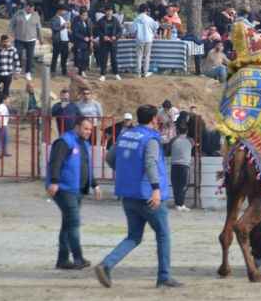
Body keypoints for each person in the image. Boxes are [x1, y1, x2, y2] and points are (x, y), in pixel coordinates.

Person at [96, 104, 183, 289]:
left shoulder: (125, 135)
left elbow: (110, 158)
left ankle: (106, 265)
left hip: (128, 194)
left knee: (134, 236)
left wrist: (128, 172)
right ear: (153, 120)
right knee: (163, 234)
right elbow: (150, 163)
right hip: (147, 194)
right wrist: (156, 189)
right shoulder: (151, 139)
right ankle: (164, 277)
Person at [46, 117, 101, 270]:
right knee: (74, 224)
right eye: (86, 129)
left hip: (77, 190)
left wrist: (95, 184)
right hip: (64, 189)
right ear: (77, 127)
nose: (89, 132)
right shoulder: (64, 142)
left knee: (67, 225)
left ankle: (62, 260)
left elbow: (86, 166)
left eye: (90, 129)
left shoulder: (84, 143)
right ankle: (78, 258)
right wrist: (55, 181)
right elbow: (55, 162)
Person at [10, 2, 43, 81]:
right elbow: (12, 24)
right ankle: (18, 69)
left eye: (32, 8)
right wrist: (10, 34)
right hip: (19, 38)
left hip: (31, 39)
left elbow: (39, 28)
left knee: (30, 56)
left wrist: (40, 38)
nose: (31, 10)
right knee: (18, 54)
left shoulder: (36, 15)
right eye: (29, 8)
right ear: (26, 7)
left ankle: (28, 72)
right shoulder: (18, 13)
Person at [170, 120, 194, 211]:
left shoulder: (173, 140)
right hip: (185, 165)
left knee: (176, 185)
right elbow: (194, 145)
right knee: (184, 185)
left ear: (177, 131)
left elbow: (168, 148)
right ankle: (181, 204)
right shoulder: (191, 140)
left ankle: (177, 204)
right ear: (187, 131)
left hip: (174, 165)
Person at [95, 6, 122, 81]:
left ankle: (116, 73)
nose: (109, 12)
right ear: (105, 12)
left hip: (113, 42)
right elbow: (97, 30)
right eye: (107, 11)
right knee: (104, 59)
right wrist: (103, 36)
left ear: (112, 12)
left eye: (110, 11)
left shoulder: (115, 20)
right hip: (104, 42)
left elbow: (120, 31)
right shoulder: (101, 20)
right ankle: (103, 74)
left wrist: (115, 37)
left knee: (114, 58)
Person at [0, 34, 20, 99]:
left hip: (8, 74)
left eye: (7, 41)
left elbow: (17, 61)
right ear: (1, 42)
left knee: (6, 91)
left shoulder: (13, 50)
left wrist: (17, 72)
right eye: (5, 42)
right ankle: (3, 97)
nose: (6, 43)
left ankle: (3, 103)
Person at [133, 4, 159, 77]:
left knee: (139, 56)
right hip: (148, 39)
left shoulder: (137, 18)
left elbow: (133, 30)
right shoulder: (149, 19)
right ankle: (145, 72)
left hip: (139, 39)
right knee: (147, 56)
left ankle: (138, 73)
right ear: (146, 10)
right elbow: (156, 27)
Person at [50, 6, 71, 76]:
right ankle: (52, 70)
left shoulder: (63, 18)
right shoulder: (54, 19)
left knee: (64, 56)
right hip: (58, 40)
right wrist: (63, 26)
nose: (64, 12)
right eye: (63, 11)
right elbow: (54, 28)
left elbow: (65, 28)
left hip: (65, 40)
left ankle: (64, 70)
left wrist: (68, 29)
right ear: (59, 11)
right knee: (55, 56)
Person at [72, 8, 93, 77]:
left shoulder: (88, 21)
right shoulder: (76, 22)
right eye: (84, 15)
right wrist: (83, 38)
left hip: (87, 43)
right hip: (79, 43)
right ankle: (80, 71)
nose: (85, 17)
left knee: (86, 58)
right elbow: (75, 33)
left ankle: (83, 70)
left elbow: (90, 31)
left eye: (86, 15)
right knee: (79, 58)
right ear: (80, 15)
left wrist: (91, 38)